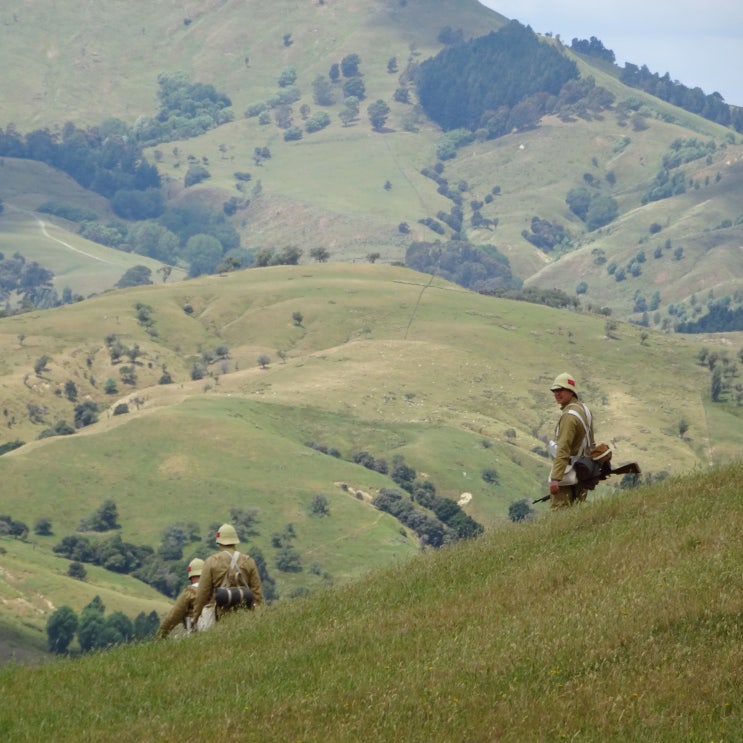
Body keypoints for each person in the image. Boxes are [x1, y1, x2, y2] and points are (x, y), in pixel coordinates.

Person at [191, 523, 264, 629]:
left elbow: (202, 595)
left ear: (219, 542)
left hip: (220, 618)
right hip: (246, 618)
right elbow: (258, 595)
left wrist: (196, 618)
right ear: (235, 540)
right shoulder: (249, 561)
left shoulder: (211, 562)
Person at [547, 372, 596, 509]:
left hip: (568, 471)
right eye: (555, 391)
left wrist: (555, 478)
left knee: (560, 515)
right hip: (584, 468)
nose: (557, 394)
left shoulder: (569, 416)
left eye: (560, 390)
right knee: (577, 512)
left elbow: (563, 448)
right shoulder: (584, 409)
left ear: (571, 391)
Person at [156, 557, 205, 639]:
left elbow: (174, 616)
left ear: (191, 577)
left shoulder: (189, 592)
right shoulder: (214, 590)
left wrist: (160, 635)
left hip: (195, 634)